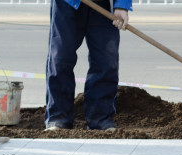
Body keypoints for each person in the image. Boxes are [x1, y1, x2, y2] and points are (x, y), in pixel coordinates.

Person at [44, 0, 131, 131]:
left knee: (106, 59)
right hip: (67, 4)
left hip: (103, 4)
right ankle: (58, 118)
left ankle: (100, 119)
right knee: (61, 58)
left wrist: (122, 5)